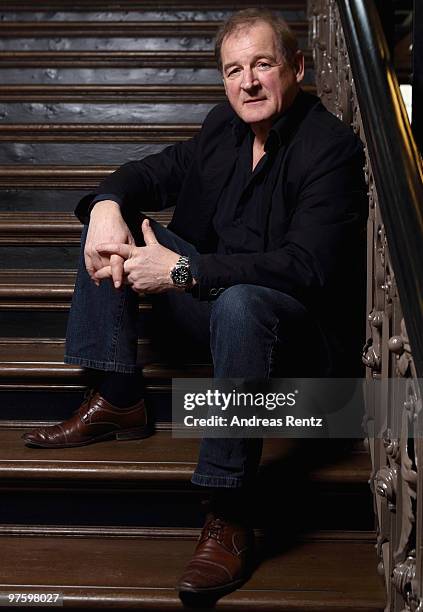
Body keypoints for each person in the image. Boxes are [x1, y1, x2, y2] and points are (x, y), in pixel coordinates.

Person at [22, 8, 367, 598]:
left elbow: (304, 267)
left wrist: (184, 270)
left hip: (297, 341)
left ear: (298, 68)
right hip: (212, 306)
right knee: (113, 224)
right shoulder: (222, 128)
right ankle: (120, 396)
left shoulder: (330, 148)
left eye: (263, 64)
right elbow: (154, 171)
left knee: (241, 303)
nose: (248, 82)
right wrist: (107, 201)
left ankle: (228, 510)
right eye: (234, 70)